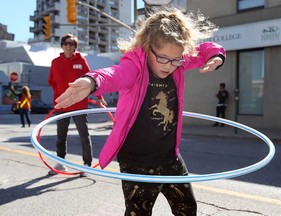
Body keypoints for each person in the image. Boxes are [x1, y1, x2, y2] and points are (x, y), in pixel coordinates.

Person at [54, 7, 226, 216]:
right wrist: (91, 81)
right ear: (147, 47)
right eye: (163, 58)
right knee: (139, 212)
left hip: (170, 157)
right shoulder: (135, 65)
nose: (169, 66)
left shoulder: (178, 61)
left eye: (176, 60)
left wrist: (216, 56)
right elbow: (114, 74)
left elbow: (207, 48)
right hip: (137, 162)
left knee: (187, 208)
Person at [48, 33, 107, 177]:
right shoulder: (55, 62)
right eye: (66, 43)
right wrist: (57, 98)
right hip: (62, 105)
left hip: (79, 105)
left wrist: (99, 97)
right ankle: (60, 162)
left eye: (72, 44)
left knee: (84, 136)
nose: (68, 46)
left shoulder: (81, 60)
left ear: (75, 47)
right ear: (62, 45)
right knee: (61, 136)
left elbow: (91, 79)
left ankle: (87, 165)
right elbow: (52, 82)